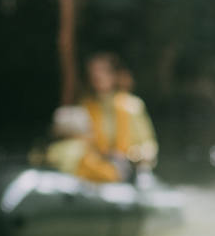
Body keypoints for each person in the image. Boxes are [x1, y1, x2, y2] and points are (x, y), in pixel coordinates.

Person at [46, 52, 158, 184]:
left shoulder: (132, 106)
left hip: (126, 168)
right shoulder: (84, 106)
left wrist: (130, 156)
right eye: (93, 71)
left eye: (102, 71)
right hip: (94, 167)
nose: (97, 76)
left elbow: (149, 147)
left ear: (114, 75)